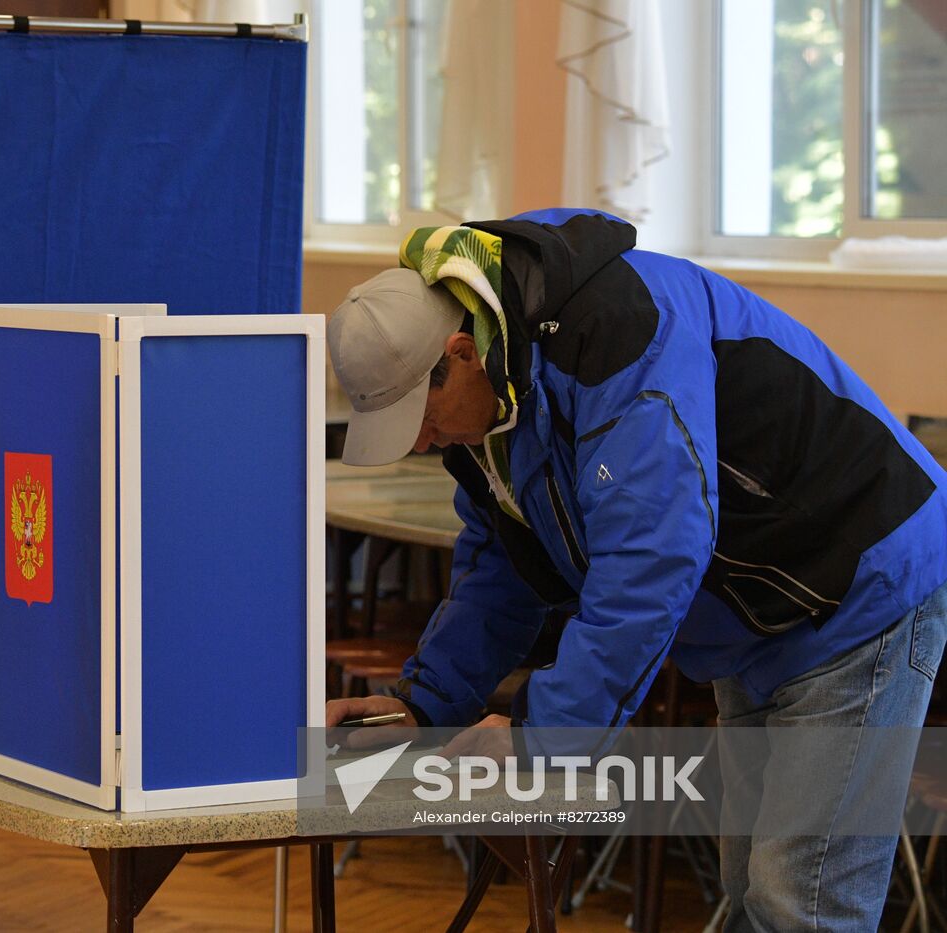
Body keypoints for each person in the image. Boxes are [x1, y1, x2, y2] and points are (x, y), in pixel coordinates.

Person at [324, 208, 947, 931]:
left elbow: (649, 564)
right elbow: (505, 564)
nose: (424, 442)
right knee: (751, 884)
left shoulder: (617, 334)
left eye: (420, 418)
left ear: (461, 352)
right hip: (761, 615)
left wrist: (540, 734)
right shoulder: (498, 390)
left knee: (800, 904)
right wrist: (425, 702)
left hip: (860, 584)